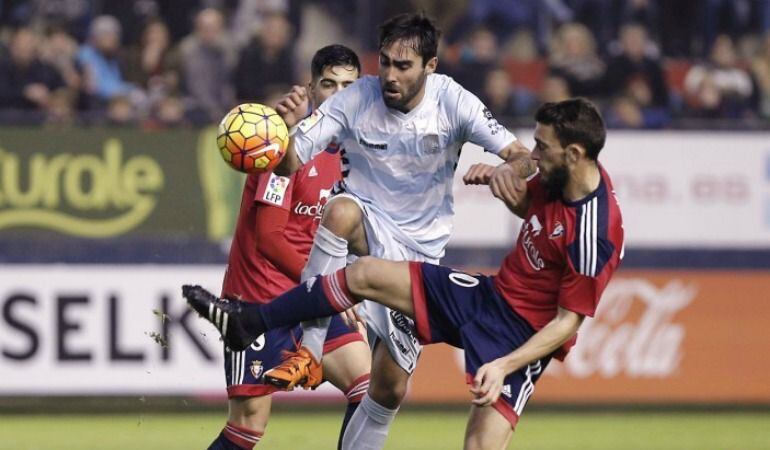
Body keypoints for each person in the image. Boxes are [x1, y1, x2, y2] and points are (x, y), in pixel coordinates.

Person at [183, 98, 625, 449]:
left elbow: (566, 323)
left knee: (479, 446)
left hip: (519, 336)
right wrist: (501, 182)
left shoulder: (595, 234)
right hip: (487, 296)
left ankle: (268, 328)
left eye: (542, 148)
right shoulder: (560, 178)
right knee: (365, 274)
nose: (534, 155)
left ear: (574, 154)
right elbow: (537, 214)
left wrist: (503, 365)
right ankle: (250, 321)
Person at [264, 12, 530, 450]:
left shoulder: (454, 101)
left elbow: (522, 156)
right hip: (364, 228)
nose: (389, 75)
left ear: (431, 66)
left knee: (388, 390)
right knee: (340, 211)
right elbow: (290, 161)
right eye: (385, 62)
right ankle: (308, 350)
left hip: (418, 256)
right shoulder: (355, 98)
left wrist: (506, 170)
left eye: (403, 66)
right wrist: (273, 140)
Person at [206, 45, 371, 450]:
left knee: (369, 390)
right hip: (260, 302)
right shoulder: (284, 148)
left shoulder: (355, 155)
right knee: (247, 428)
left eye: (348, 86)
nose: (338, 95)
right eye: (329, 84)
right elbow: (270, 238)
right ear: (311, 90)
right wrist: (328, 288)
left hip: (314, 300)